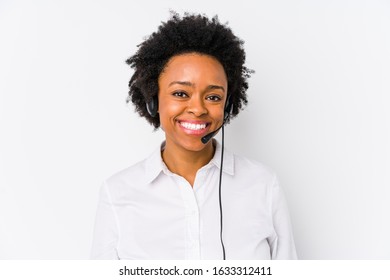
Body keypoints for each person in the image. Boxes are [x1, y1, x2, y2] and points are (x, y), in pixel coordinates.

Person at [91, 12, 297, 260]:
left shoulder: (263, 185)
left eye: (213, 97)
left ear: (228, 105)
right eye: (180, 93)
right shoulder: (118, 192)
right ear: (154, 101)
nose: (198, 109)